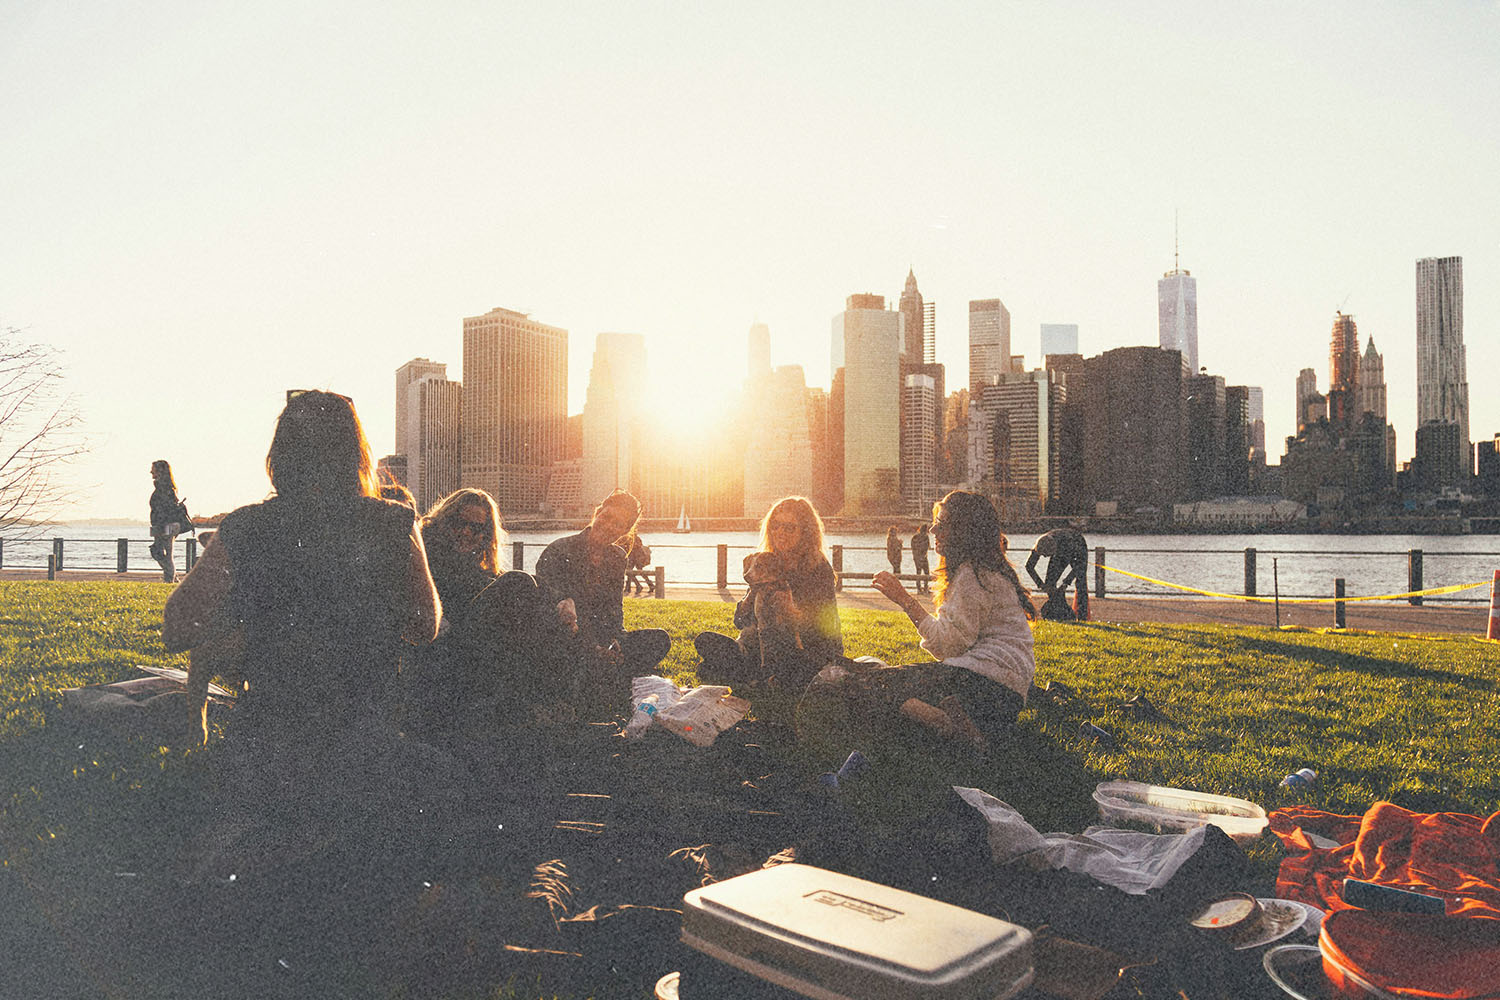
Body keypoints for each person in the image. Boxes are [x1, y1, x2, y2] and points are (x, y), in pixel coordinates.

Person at [162, 390, 442, 810]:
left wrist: (245, 628)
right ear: (356, 453)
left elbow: (177, 627)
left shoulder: (245, 527)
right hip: (364, 745)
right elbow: (425, 626)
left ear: (280, 453)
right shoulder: (394, 522)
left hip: (267, 748)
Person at [800, 490, 1036, 751]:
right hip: (1005, 695)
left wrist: (904, 599)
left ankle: (951, 726)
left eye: (942, 524)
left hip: (981, 684)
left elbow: (948, 646)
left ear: (963, 531)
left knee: (850, 682)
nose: (933, 530)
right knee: (882, 687)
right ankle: (947, 721)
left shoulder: (972, 576)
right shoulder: (987, 572)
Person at [413, 488, 570, 734]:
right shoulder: (428, 553)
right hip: (445, 647)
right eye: (458, 523)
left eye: (476, 529)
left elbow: (497, 583)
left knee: (536, 600)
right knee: (518, 583)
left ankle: (547, 698)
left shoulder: (473, 564)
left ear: (486, 535)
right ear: (445, 521)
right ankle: (545, 700)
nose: (466, 532)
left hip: (472, 645)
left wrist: (563, 600)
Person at [694, 496, 843, 695]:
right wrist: (749, 599)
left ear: (805, 531)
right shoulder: (766, 562)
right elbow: (740, 622)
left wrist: (792, 612)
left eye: (789, 528)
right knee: (706, 641)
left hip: (806, 649)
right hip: (761, 646)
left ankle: (752, 674)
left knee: (791, 669)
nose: (780, 532)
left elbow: (825, 629)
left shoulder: (817, 569)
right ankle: (754, 673)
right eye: (775, 525)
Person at [535, 490, 670, 703]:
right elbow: (548, 608)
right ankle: (601, 677)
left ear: (625, 531)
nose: (608, 526)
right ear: (597, 513)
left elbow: (614, 610)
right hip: (568, 638)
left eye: (618, 524)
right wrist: (592, 648)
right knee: (568, 656)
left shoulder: (617, 557)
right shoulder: (559, 550)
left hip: (602, 640)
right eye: (606, 517)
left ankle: (604, 673)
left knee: (659, 639)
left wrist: (614, 641)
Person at [1026, 527, 1090, 621]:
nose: (1044, 557)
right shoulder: (1039, 545)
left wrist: (1065, 583)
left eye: (1046, 555)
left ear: (1054, 552)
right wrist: (1041, 584)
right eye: (1042, 555)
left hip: (1078, 544)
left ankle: (1082, 616)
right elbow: (1029, 566)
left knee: (1081, 581)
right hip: (1059, 544)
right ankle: (1057, 610)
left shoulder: (1065, 547)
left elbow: (1078, 567)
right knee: (1050, 583)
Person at [148, 460, 188, 582]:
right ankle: (172, 577)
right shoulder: (167, 487)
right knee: (161, 552)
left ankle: (170, 578)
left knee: (161, 552)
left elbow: (163, 509)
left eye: (153, 469)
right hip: (164, 524)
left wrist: (159, 527)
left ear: (160, 471)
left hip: (165, 524)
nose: (151, 472)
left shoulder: (164, 487)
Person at [910, 522, 932, 594]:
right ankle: (925, 588)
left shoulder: (915, 537)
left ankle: (918, 589)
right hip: (923, 557)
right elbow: (927, 547)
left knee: (918, 573)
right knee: (926, 573)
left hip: (916, 557)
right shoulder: (925, 537)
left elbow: (912, 546)